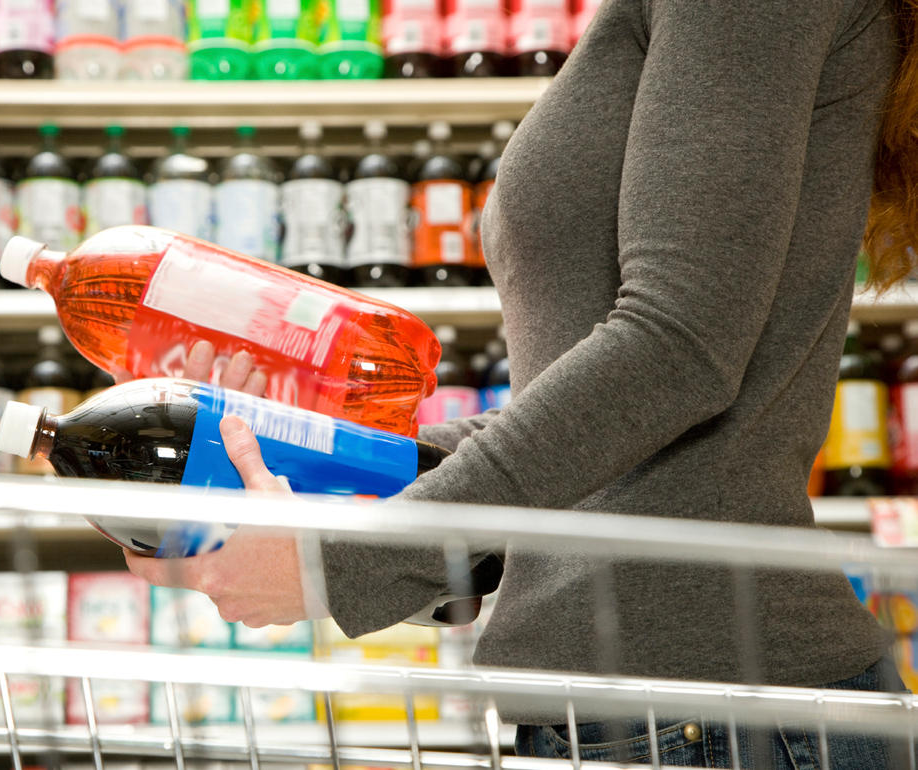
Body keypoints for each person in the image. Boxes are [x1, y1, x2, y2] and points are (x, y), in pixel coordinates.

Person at [126, 0, 918, 765]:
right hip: (641, 709)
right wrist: (275, 466)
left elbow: (677, 349)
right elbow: (591, 437)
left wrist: (336, 563)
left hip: (706, 711)